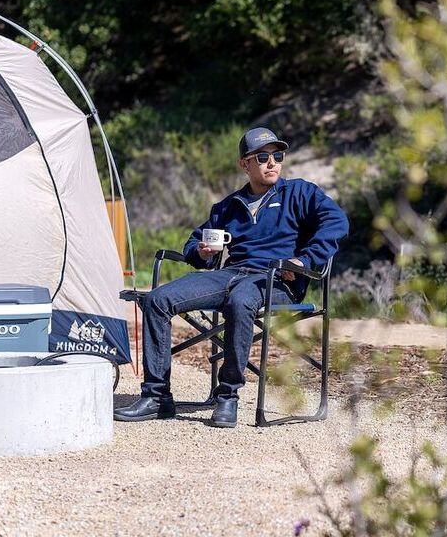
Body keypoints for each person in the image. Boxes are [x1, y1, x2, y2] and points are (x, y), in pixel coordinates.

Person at [114, 126, 349, 427]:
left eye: (277, 156)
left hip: (277, 279)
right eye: (262, 157)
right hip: (231, 273)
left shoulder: (300, 192)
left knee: (240, 300)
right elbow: (194, 244)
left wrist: (304, 260)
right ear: (244, 164)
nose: (272, 163)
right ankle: (157, 396)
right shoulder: (228, 206)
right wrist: (201, 252)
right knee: (158, 299)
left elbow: (337, 221)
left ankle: (227, 396)